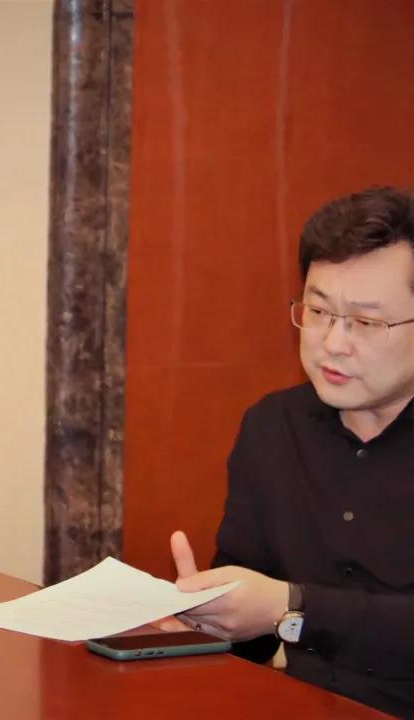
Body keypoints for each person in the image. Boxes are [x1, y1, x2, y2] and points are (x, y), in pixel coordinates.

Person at [169, 186, 414, 717]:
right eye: (319, 310)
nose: (333, 343)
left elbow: (280, 609)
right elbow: (251, 627)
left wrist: (292, 608)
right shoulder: (272, 427)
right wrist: (204, 615)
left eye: (366, 323)